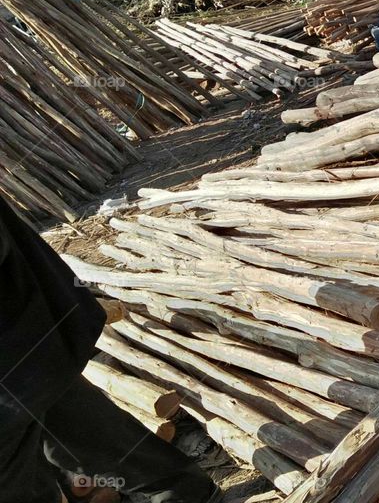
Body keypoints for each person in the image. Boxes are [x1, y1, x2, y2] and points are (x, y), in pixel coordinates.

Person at [0, 197, 221, 503]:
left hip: (20, 331)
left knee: (44, 435)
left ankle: (182, 491)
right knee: (69, 418)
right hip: (22, 341)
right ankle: (182, 491)